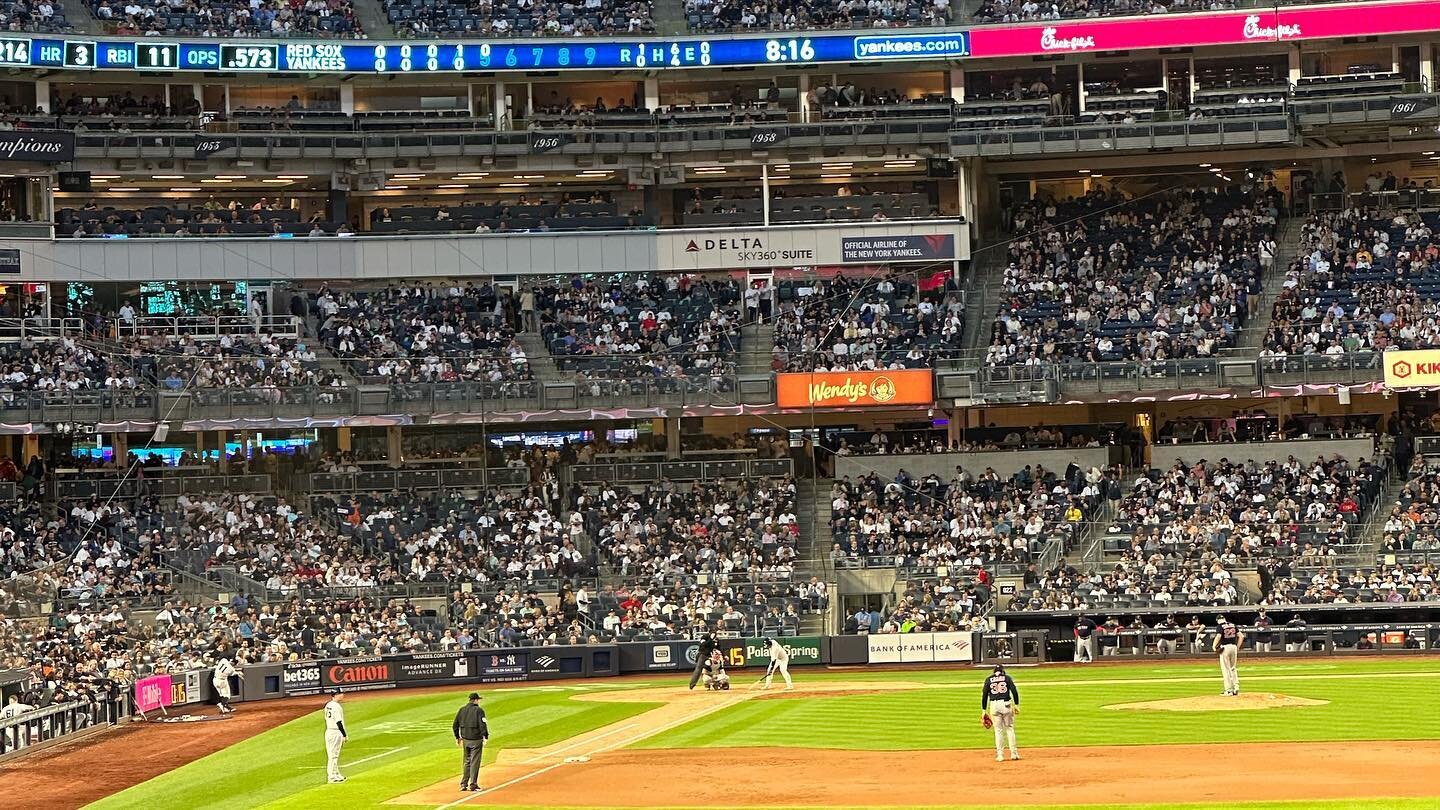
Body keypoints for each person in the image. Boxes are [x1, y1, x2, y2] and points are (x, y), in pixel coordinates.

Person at [981, 664, 1020, 762]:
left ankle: (1000, 755)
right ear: (1002, 671)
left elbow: (985, 695)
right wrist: (1016, 705)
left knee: (998, 731)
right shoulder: (1007, 678)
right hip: (1006, 704)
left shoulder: (989, 679)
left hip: (994, 706)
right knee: (1009, 728)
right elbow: (1014, 691)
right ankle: (1014, 754)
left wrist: (983, 710)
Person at [452, 692, 490, 792]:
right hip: (476, 740)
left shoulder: (462, 710)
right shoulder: (479, 710)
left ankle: (463, 784)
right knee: (475, 762)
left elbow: (455, 725)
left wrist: (457, 737)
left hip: (465, 740)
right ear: (476, 700)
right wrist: (485, 736)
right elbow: (482, 724)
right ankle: (473, 784)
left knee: (467, 762)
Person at [1213, 614, 1244, 696]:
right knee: (1233, 668)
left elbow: (1218, 636)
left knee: (1226, 669)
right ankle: (1236, 687)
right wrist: (1237, 647)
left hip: (1225, 648)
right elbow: (1241, 636)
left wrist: (1213, 646)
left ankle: (1228, 690)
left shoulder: (1220, 626)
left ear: (1218, 620)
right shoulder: (1232, 625)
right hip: (1233, 647)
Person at [324, 691, 348, 784]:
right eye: (341, 693)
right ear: (336, 695)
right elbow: (339, 722)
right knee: (333, 756)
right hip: (335, 732)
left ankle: (336, 774)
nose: (343, 695)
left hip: (329, 731)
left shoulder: (328, 705)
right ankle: (332, 777)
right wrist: (344, 734)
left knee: (333, 755)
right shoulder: (336, 707)